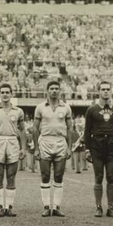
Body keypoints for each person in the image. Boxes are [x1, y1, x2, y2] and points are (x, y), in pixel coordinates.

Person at [84, 81, 113, 218]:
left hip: (112, 145)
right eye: (103, 89)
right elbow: (87, 131)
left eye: (108, 89)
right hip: (97, 145)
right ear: (98, 91)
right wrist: (87, 149)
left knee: (111, 177)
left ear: (111, 91)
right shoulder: (92, 109)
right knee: (98, 177)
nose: (106, 91)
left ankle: (111, 207)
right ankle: (98, 207)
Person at [0, 83, 26, 217]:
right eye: (2, 92)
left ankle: (9, 207)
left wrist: (23, 148)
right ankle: (0, 207)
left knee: (11, 175)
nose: (5, 94)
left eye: (7, 92)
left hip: (13, 141)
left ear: (11, 94)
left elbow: (22, 130)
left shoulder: (18, 111)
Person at [33, 81, 73, 217]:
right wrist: (36, 148)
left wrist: (69, 147)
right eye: (52, 89)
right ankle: (46, 206)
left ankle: (56, 206)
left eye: (56, 89)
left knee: (58, 175)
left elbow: (70, 128)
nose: (54, 91)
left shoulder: (66, 107)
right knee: (45, 175)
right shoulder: (40, 107)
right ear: (47, 91)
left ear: (60, 91)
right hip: (45, 140)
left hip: (60, 141)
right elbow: (35, 128)